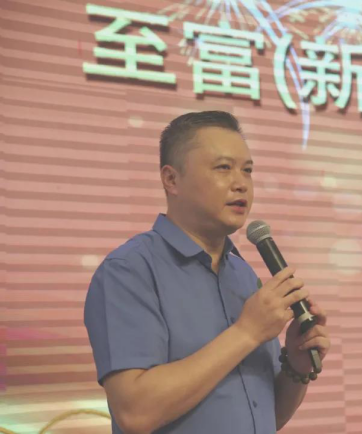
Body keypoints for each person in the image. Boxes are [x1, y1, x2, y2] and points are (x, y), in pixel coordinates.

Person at [84, 111, 331, 434]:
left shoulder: (243, 275)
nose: (241, 183)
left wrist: (296, 369)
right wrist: (246, 332)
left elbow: (265, 418)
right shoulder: (129, 270)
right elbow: (135, 413)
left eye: (247, 170)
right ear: (171, 179)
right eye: (223, 168)